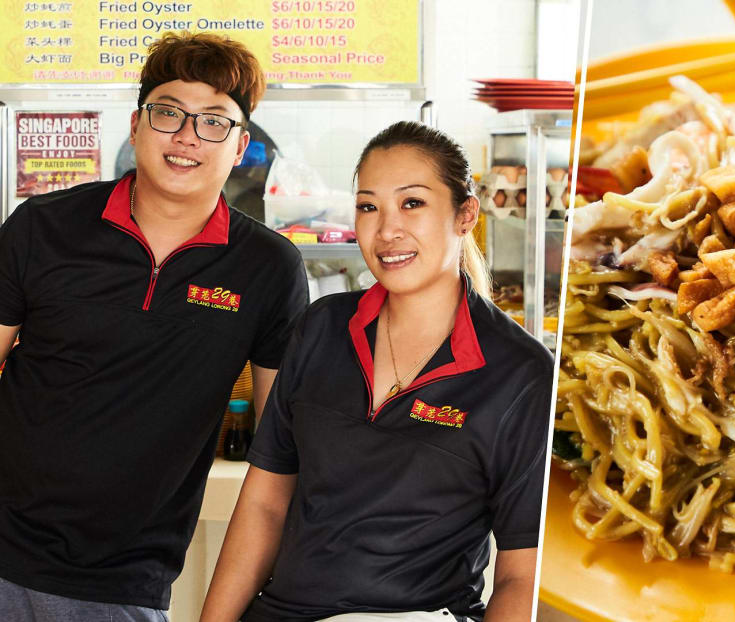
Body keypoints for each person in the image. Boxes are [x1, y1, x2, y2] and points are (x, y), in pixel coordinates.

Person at [0, 32, 308, 621]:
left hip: (126, 581)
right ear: (137, 126)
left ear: (241, 146)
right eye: (169, 113)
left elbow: (278, 453)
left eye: (214, 122)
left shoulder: (267, 266)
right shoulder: (43, 228)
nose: (189, 136)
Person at [200, 121, 554, 622]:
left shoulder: (520, 373)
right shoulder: (321, 328)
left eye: (412, 203)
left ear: (465, 214)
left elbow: (522, 574)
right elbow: (264, 503)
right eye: (369, 206)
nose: (387, 230)